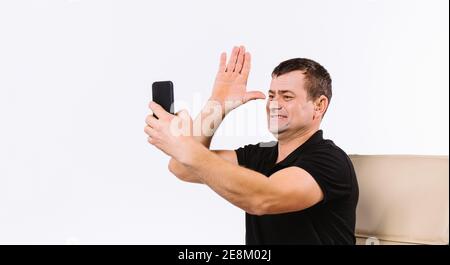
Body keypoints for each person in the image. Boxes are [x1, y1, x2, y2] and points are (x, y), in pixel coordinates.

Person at [144, 45, 359, 245]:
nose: (274, 104)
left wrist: (184, 145)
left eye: (287, 96)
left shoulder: (330, 161)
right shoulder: (261, 154)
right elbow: (182, 167)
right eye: (272, 95)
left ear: (319, 105)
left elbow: (263, 198)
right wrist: (217, 105)